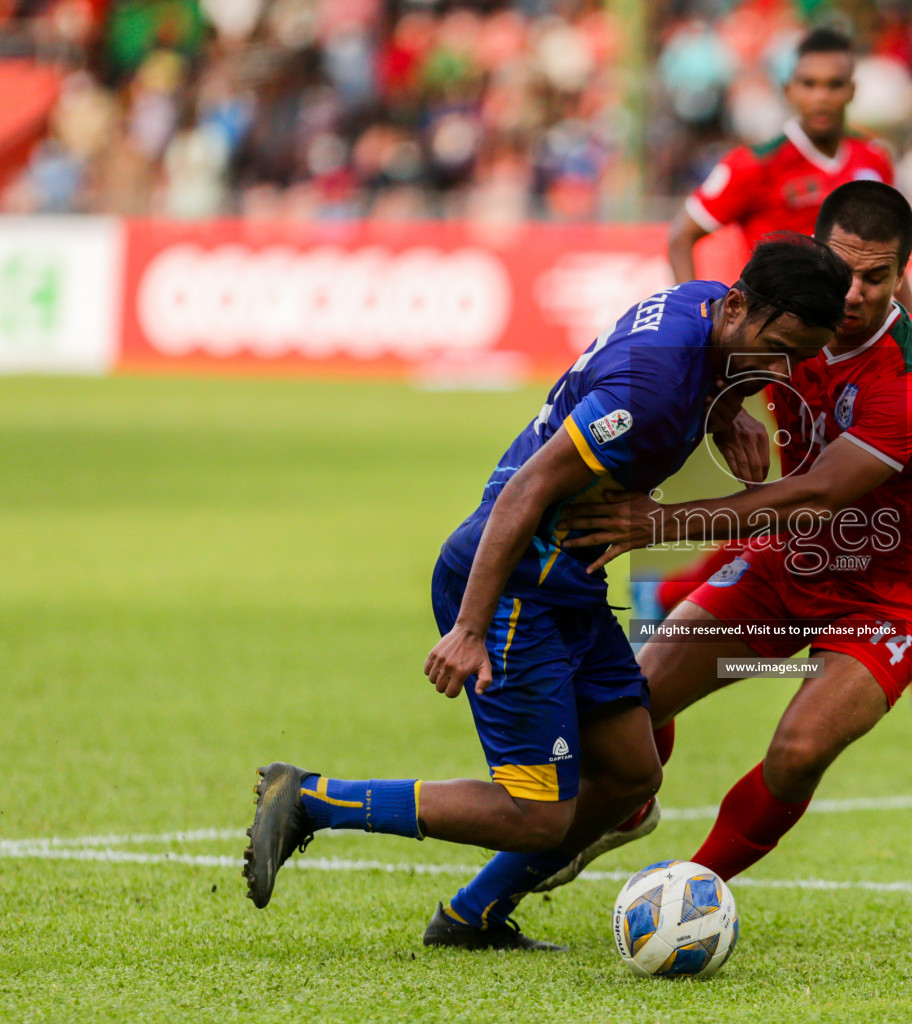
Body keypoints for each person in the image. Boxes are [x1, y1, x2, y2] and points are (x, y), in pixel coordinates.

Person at [240, 236, 852, 950]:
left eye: (795, 360)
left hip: (570, 586)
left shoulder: (703, 309)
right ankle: (311, 800)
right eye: (773, 348)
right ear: (739, 306)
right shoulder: (648, 390)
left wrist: (728, 411)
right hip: (514, 590)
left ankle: (471, 918)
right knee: (537, 814)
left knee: (630, 777)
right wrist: (470, 628)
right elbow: (529, 488)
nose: (777, 371)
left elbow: (710, 370)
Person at [488, 181, 912, 903]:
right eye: (846, 271)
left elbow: (814, 494)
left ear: (904, 274)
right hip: (785, 570)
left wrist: (660, 522)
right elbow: (714, 353)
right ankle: (630, 807)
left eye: (878, 276)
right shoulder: (792, 327)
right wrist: (724, 416)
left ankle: (691, 890)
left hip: (887, 598)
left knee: (800, 748)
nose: (856, 294)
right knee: (632, 710)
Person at [655, 25, 912, 732]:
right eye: (807, 83)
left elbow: (895, 264)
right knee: (809, 506)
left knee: (826, 505)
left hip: (858, 354)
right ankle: (673, 596)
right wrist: (715, 341)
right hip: (786, 351)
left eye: (833, 83)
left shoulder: (872, 158)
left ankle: (675, 596)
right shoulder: (756, 164)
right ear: (789, 90)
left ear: (851, 89)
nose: (820, 96)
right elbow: (680, 234)